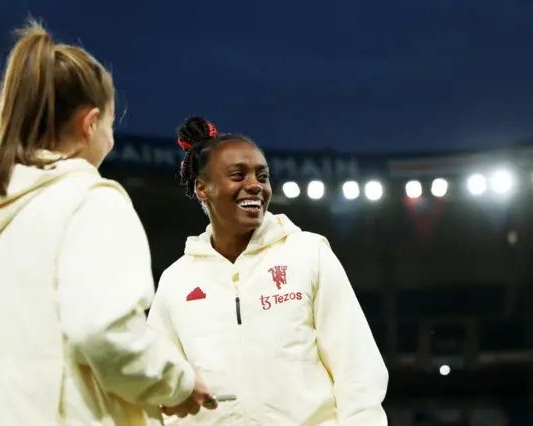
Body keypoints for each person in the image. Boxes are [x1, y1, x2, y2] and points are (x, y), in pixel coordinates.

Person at [0, 21, 216, 426]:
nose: (111, 138)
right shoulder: (90, 203)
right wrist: (178, 383)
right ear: (90, 123)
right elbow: (103, 331)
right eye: (111, 125)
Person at [147, 116, 389, 425]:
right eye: (238, 175)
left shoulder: (308, 253)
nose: (255, 186)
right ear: (202, 188)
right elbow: (157, 388)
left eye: (262, 176)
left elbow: (356, 367)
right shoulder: (176, 281)